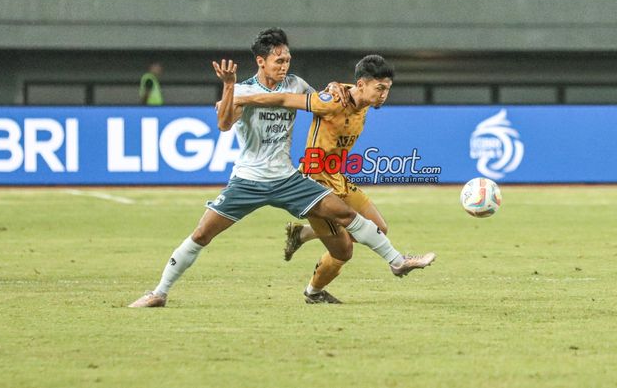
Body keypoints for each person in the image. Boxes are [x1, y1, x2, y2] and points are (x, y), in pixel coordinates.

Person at [129, 28, 434, 308]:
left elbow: (322, 100)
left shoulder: (296, 83)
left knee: (346, 214)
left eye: (287, 59)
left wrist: (335, 86)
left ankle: (397, 261)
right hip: (248, 179)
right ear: (261, 61)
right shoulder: (243, 89)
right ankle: (160, 292)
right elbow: (223, 125)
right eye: (278, 60)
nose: (284, 65)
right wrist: (229, 87)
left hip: (288, 178)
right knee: (202, 234)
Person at [234, 54, 433, 304]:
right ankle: (314, 292)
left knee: (379, 228)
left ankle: (304, 235)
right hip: (314, 183)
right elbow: (285, 98)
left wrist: (334, 83)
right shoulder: (331, 102)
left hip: (337, 177)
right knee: (343, 251)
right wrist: (241, 98)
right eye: (379, 88)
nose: (383, 95)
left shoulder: (360, 99)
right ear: (362, 84)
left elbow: (344, 88)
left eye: (387, 89)